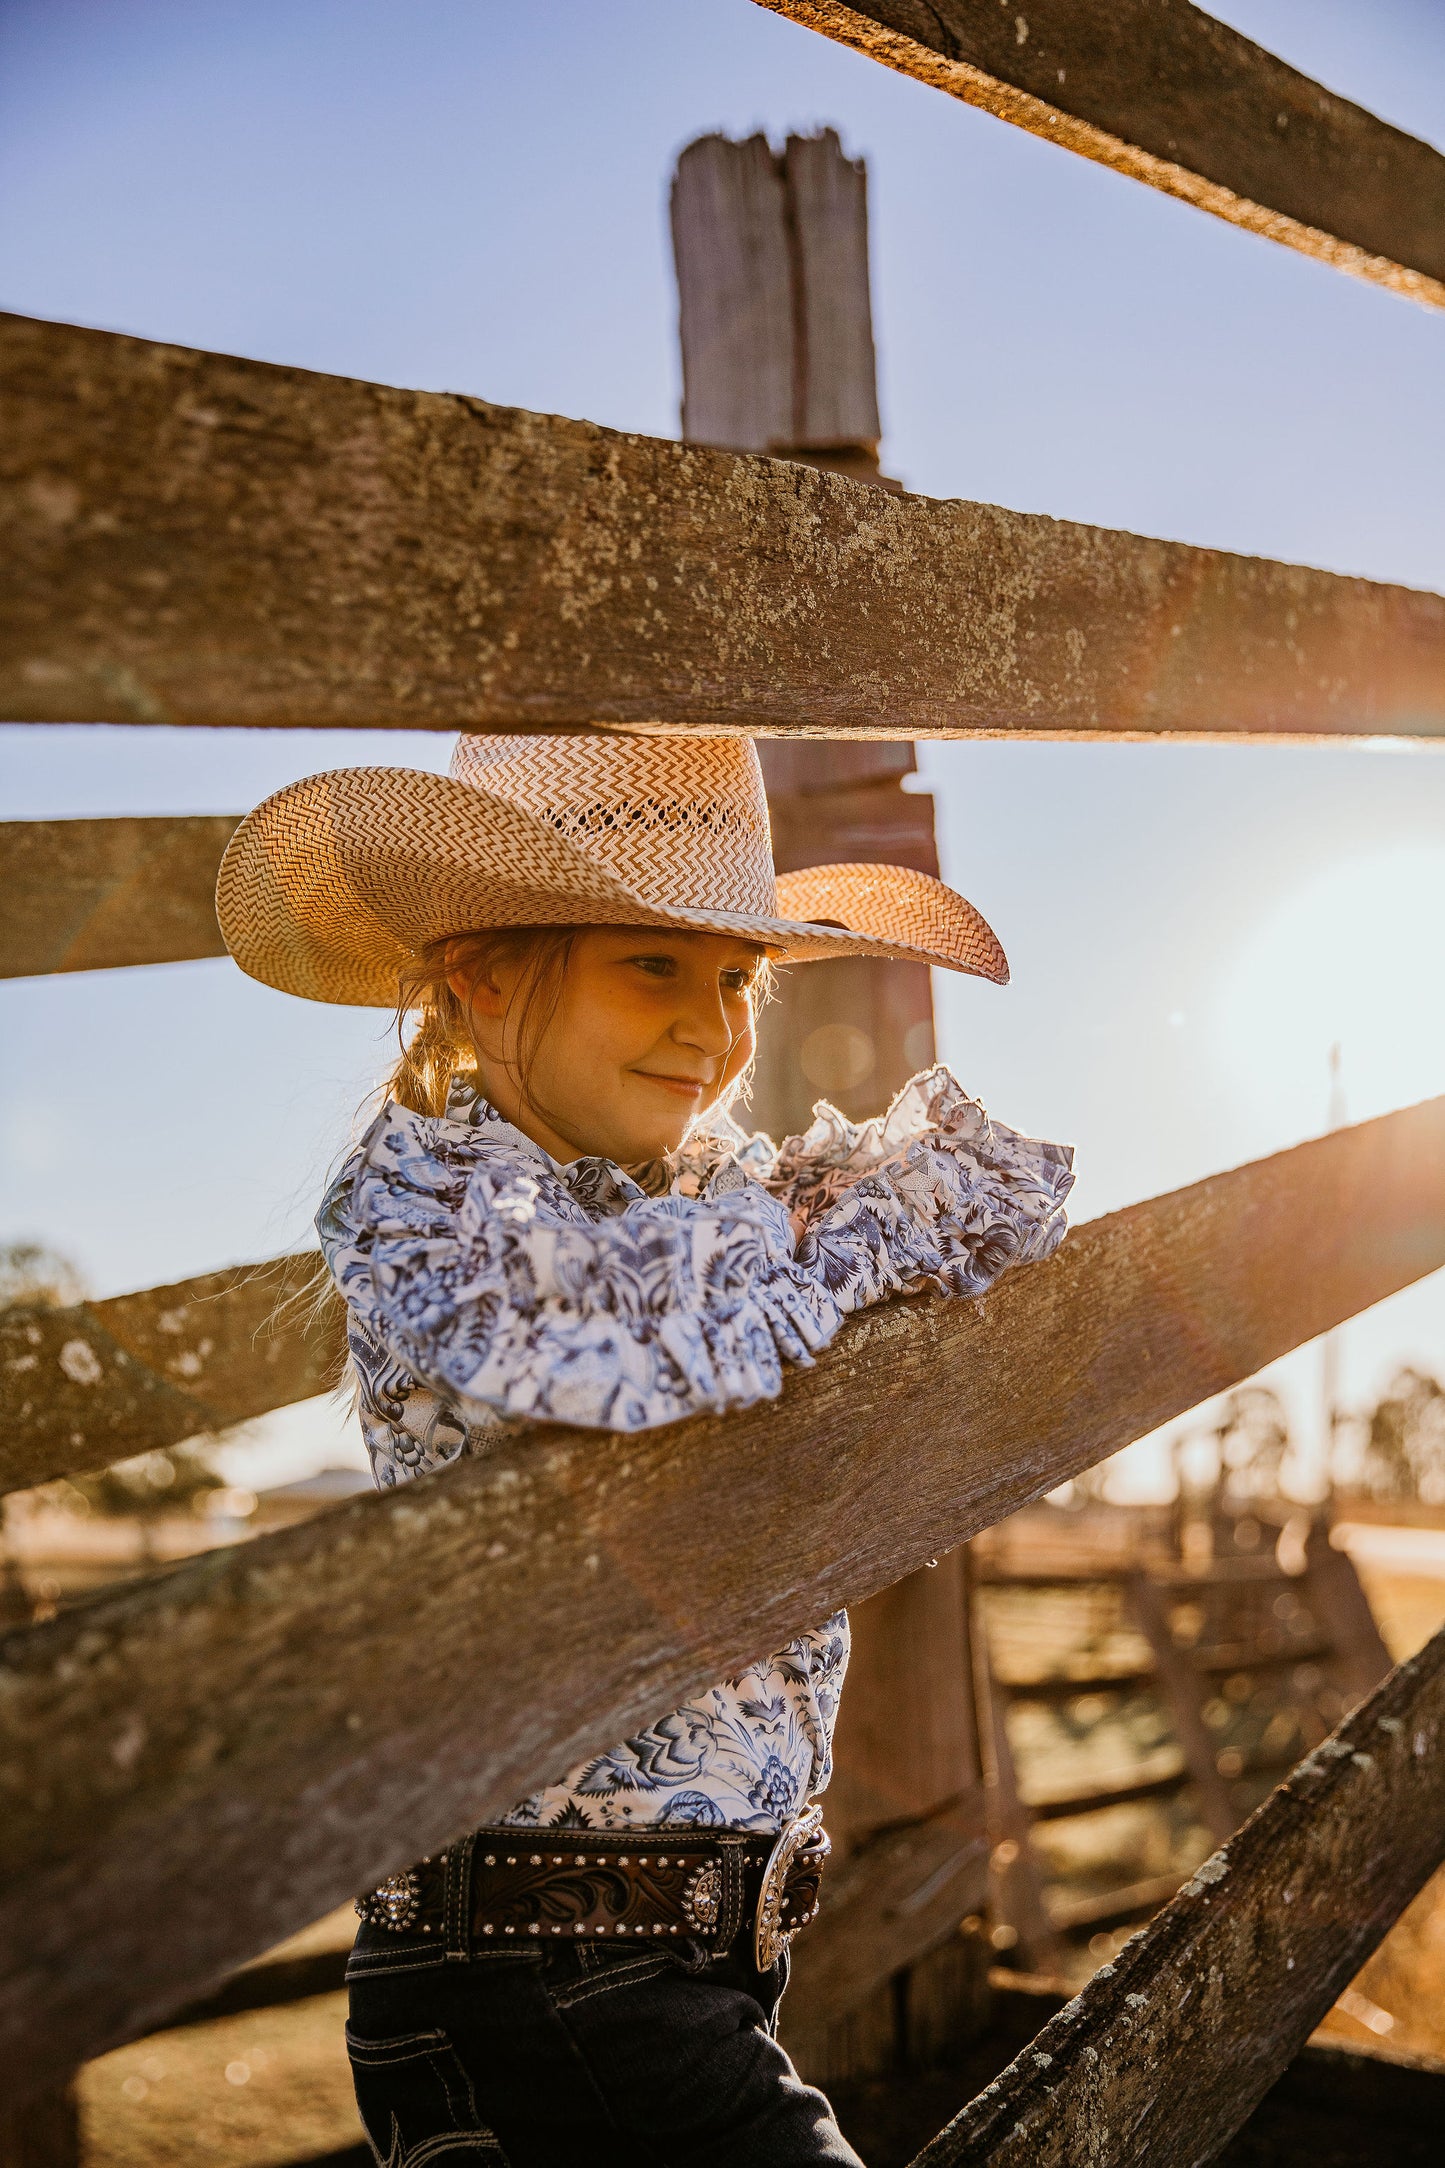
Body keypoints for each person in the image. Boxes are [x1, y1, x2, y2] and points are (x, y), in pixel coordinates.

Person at [218, 733, 1073, 2167]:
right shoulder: (445, 1203)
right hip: (540, 1968)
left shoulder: (696, 1204)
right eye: (652, 966)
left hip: (667, 1955)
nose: (714, 1025)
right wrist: (813, 1244)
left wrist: (825, 1235)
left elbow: (949, 1212)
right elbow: (605, 1349)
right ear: (484, 976)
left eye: (736, 977)